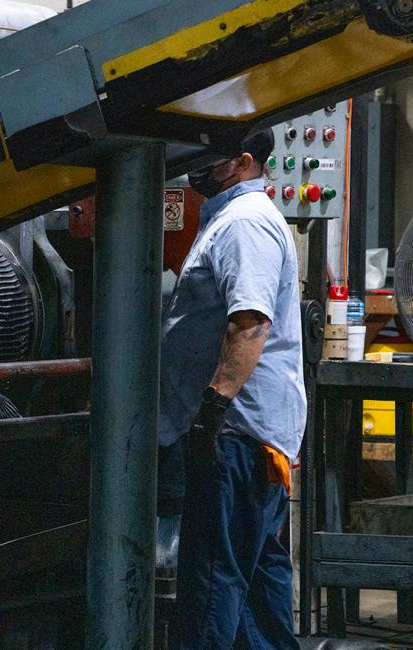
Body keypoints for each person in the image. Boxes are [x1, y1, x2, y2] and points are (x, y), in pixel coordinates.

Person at [159, 128, 306, 649]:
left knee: (211, 584)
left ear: (243, 163)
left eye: (211, 157)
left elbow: (249, 323)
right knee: (257, 592)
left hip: (236, 436)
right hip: (251, 439)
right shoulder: (233, 218)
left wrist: (210, 412)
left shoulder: (245, 223)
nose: (198, 165)